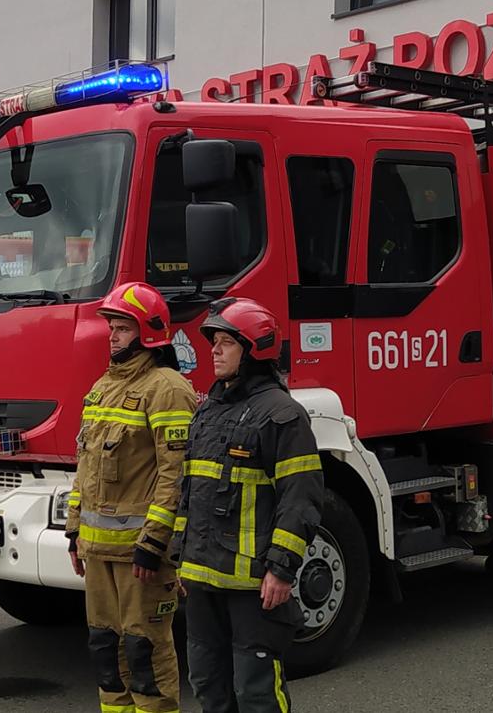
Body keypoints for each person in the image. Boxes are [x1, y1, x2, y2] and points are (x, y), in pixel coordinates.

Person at [176, 298, 323, 713]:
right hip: (203, 580)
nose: (214, 350)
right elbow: (189, 494)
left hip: (254, 588)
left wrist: (281, 568)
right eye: (214, 342)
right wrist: (181, 559)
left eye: (226, 342)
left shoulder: (282, 415)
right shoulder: (208, 412)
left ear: (255, 349)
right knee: (207, 682)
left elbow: (301, 498)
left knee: (256, 692)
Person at [65, 282, 197, 713]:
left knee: (146, 652)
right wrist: (73, 532)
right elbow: (84, 465)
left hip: (141, 556)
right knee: (106, 650)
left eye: (122, 327)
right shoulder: (103, 386)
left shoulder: (168, 388)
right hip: (98, 551)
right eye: (112, 327)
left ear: (148, 332)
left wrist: (155, 543)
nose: (113, 336)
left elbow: (174, 475)